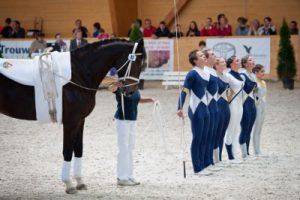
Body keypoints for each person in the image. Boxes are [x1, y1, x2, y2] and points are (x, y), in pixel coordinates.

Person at [110, 82, 157, 186]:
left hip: (133, 120)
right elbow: (111, 88)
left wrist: (151, 99)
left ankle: (129, 176)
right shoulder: (122, 86)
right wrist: (115, 84)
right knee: (123, 149)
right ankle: (121, 177)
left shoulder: (135, 86)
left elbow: (138, 99)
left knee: (130, 148)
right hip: (122, 120)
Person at [177, 49, 212, 176]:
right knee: (197, 138)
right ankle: (197, 168)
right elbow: (184, 91)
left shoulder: (205, 73)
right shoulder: (192, 74)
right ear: (195, 60)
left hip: (205, 108)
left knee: (205, 137)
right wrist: (179, 107)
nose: (204, 56)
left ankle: (204, 164)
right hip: (196, 109)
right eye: (201, 55)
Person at [203, 49, 221, 171]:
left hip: (215, 106)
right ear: (206, 58)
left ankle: (212, 161)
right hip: (208, 106)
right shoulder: (205, 71)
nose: (216, 56)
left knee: (213, 134)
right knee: (207, 135)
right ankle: (206, 162)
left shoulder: (213, 71)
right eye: (213, 54)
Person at [224, 56, 244, 164]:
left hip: (240, 106)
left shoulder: (240, 76)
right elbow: (225, 91)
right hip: (232, 106)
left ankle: (234, 153)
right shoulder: (228, 76)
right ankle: (230, 156)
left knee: (237, 130)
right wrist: (227, 101)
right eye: (237, 60)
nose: (239, 62)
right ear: (231, 64)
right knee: (231, 129)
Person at [239, 55, 257, 159]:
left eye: (253, 59)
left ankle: (248, 152)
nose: (253, 61)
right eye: (250, 60)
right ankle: (244, 154)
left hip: (252, 104)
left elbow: (255, 92)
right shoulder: (242, 75)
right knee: (244, 129)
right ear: (245, 64)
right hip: (245, 104)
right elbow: (237, 91)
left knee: (249, 129)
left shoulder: (253, 75)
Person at [214, 57, 230, 164]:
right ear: (216, 65)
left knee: (222, 133)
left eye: (225, 61)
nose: (224, 63)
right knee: (216, 133)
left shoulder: (226, 76)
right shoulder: (214, 76)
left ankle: (219, 157)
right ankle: (215, 159)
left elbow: (230, 92)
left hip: (226, 106)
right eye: (222, 62)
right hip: (218, 106)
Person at [252, 64, 267, 156]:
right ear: (256, 72)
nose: (263, 73)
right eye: (261, 71)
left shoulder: (264, 82)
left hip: (263, 107)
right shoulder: (255, 82)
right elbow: (254, 96)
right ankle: (256, 150)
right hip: (257, 107)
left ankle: (258, 148)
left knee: (260, 129)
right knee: (256, 129)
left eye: (263, 71)